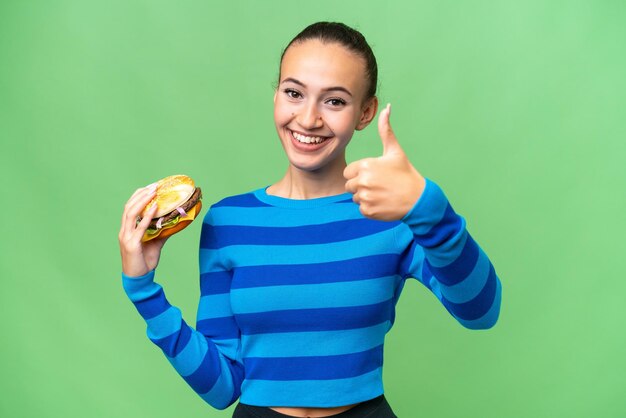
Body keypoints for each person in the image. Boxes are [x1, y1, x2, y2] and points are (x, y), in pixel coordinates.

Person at [119, 22, 502, 418]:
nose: (308, 118)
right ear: (276, 96)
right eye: (294, 93)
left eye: (334, 101)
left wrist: (431, 209)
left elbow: (481, 312)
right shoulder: (228, 223)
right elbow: (222, 387)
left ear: (365, 112)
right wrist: (143, 290)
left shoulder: (393, 217)